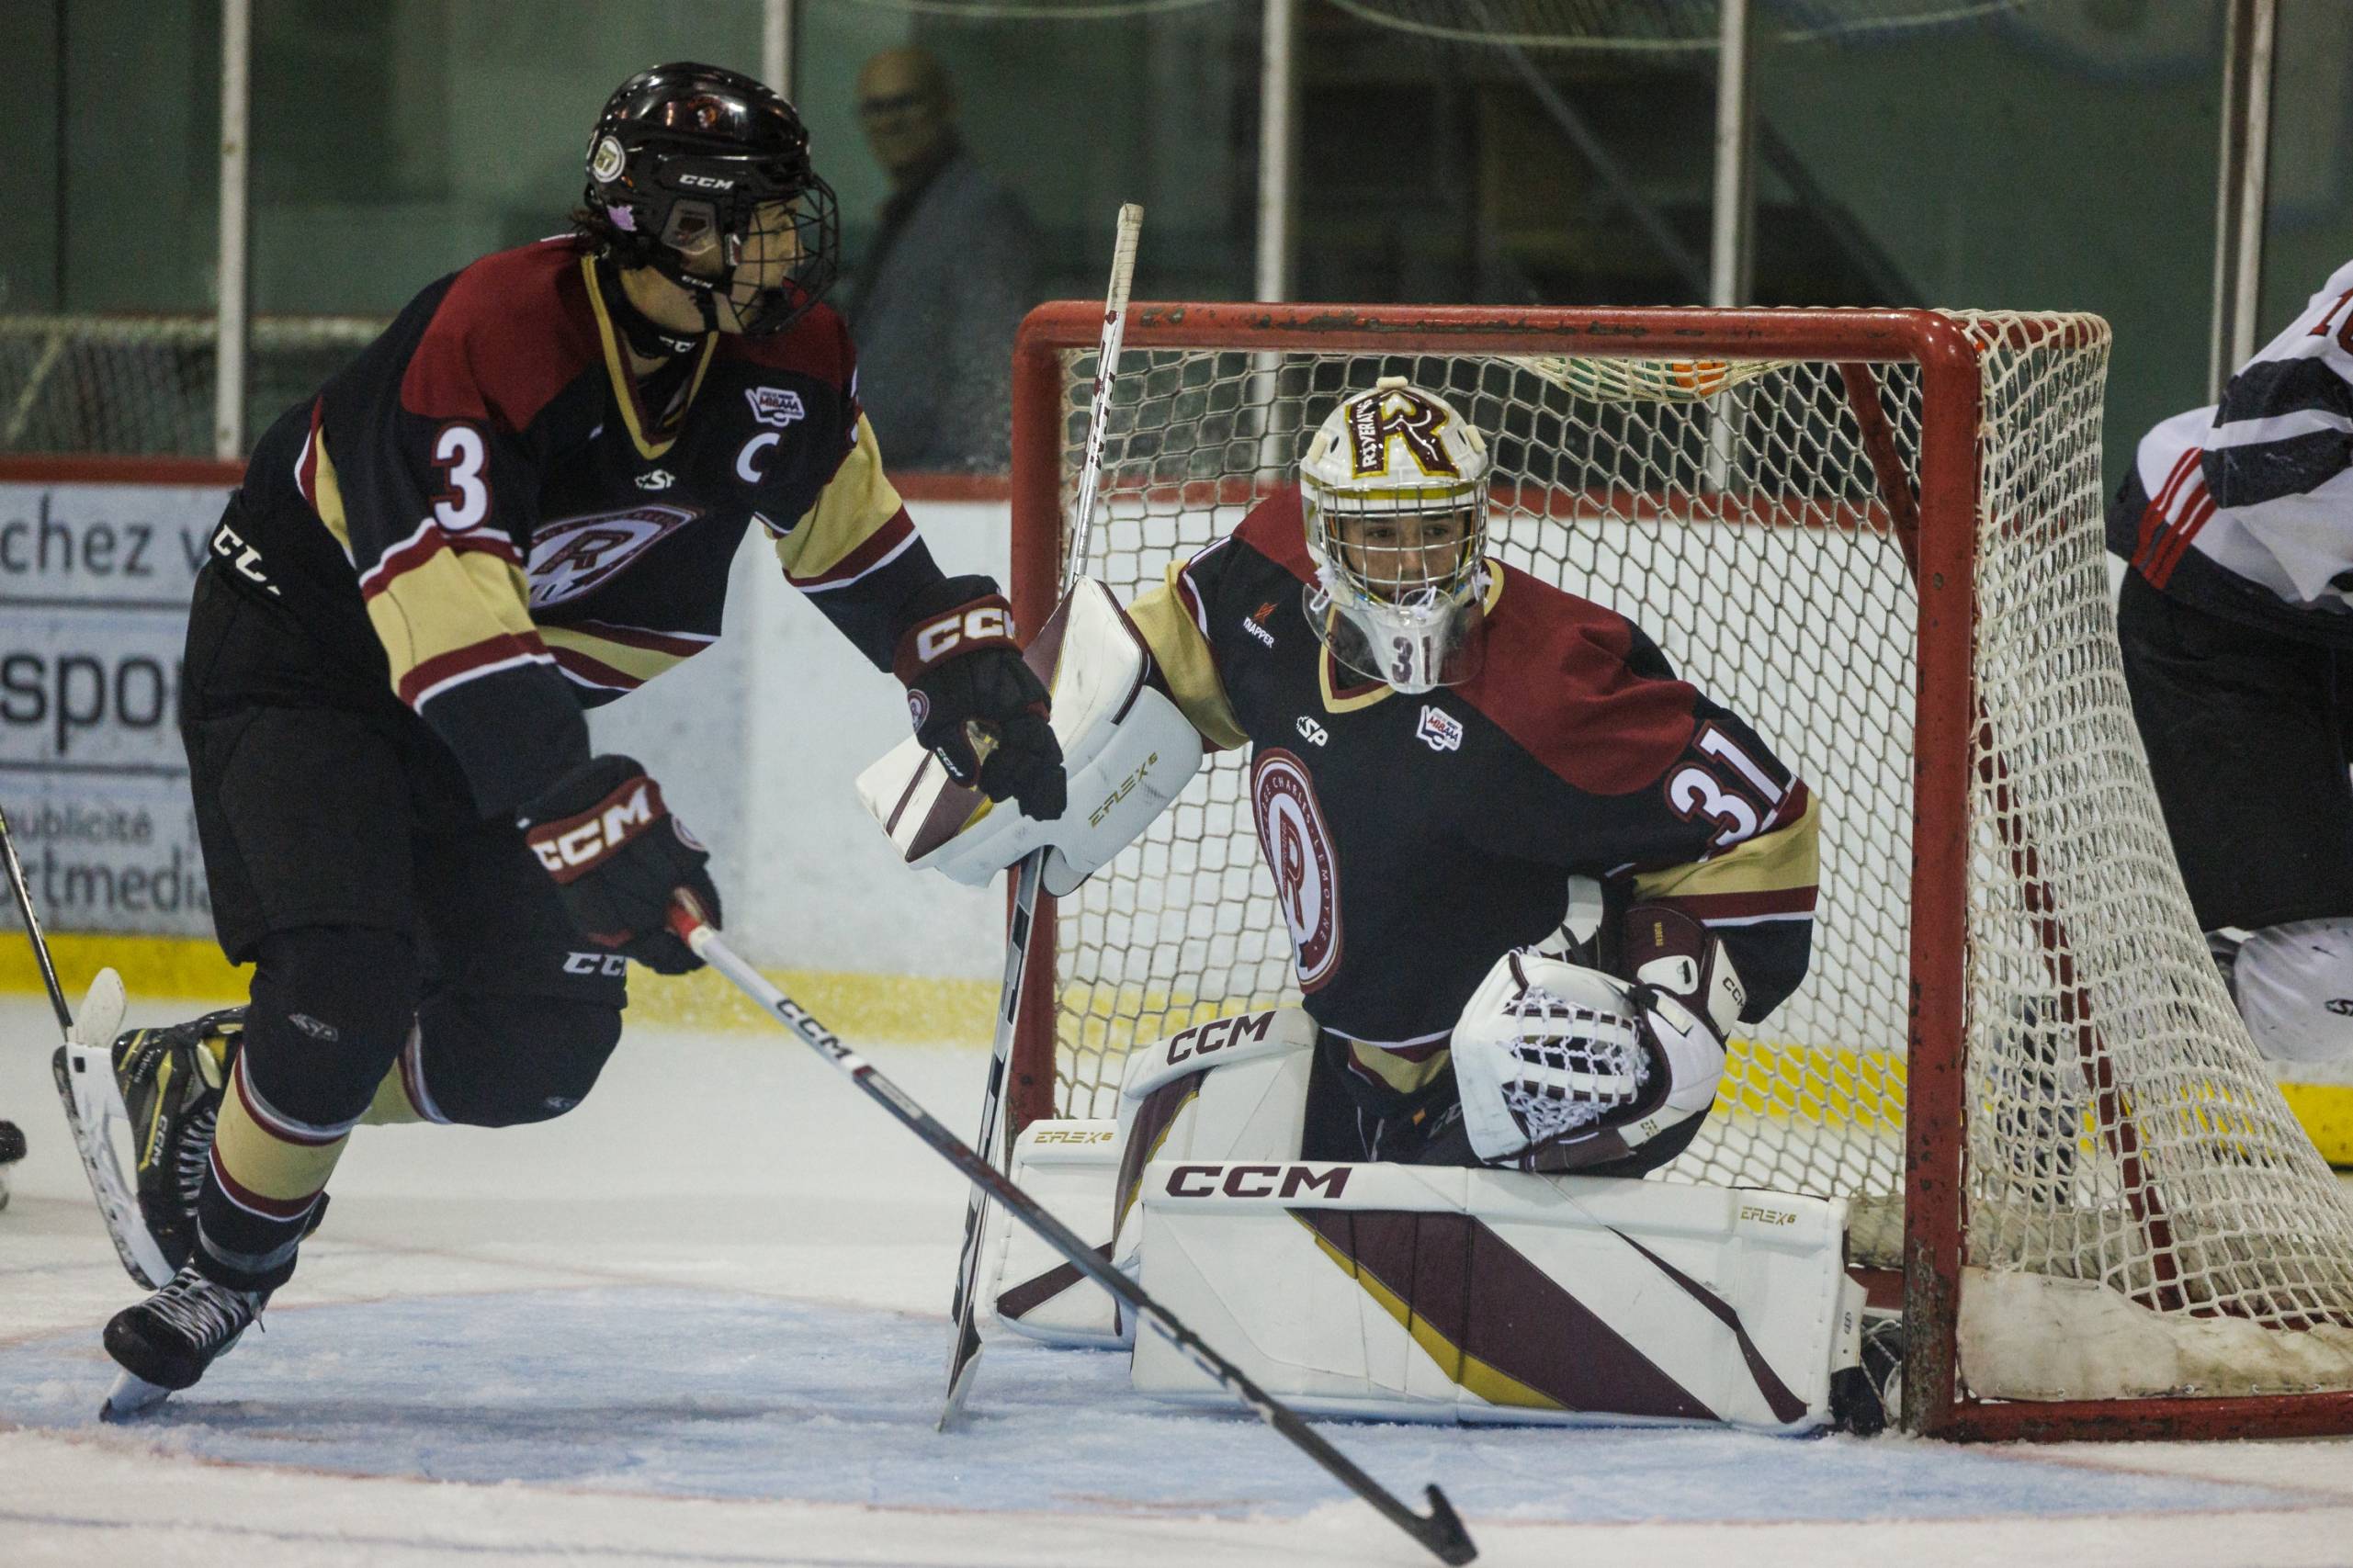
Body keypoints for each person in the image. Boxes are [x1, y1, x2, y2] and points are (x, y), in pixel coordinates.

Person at [95, 61, 1065, 1417]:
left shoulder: (784, 355)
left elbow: (851, 537)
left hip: (493, 701)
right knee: (346, 978)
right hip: (313, 665)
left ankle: (222, 1083)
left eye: (778, 213)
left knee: (536, 1044)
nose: (767, 249)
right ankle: (230, 1260)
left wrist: (952, 661)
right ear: (635, 225)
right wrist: (569, 793)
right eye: (727, 219)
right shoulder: (494, 334)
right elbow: (443, 625)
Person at [1120, 375, 1819, 1174]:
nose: (1413, 564)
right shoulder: (1268, 575)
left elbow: (1762, 817)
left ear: (1476, 519)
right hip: (1359, 1050)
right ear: (1323, 532)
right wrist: (1045, 727)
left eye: (1437, 529)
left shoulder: (1547, 686)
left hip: (1527, 1076)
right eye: (1380, 536)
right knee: (1185, 1114)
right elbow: (1167, 651)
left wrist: (1672, 1011)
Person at [2110, 258, 2353, 1069]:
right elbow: (2253, 448)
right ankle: (2081, 1038)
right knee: (2330, 992)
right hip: (2219, 600)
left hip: (2330, 614)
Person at [837, 47, 1037, 472]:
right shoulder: (909, 212)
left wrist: (960, 482)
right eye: (874, 108)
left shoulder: (981, 214)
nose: (889, 121)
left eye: (905, 103)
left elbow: (991, 376)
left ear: (947, 104)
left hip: (939, 488)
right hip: (887, 481)